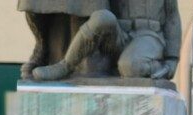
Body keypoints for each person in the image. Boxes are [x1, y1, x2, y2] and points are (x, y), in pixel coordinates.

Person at [30, 0, 181, 81]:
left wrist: (172, 59)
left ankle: (155, 67)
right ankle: (65, 65)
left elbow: (173, 18)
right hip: (120, 33)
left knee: (129, 66)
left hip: (148, 37)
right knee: (101, 17)